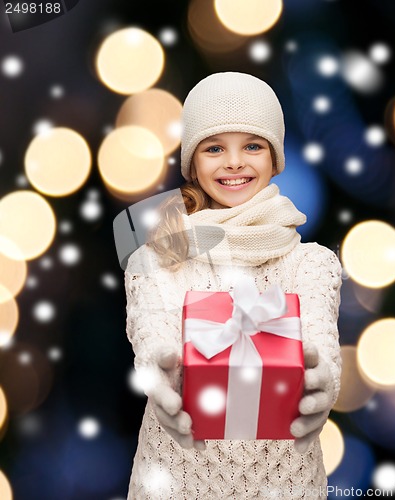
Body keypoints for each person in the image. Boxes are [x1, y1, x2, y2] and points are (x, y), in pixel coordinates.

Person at [124, 72, 342, 499]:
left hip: (286, 483)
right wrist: (159, 370)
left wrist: (325, 381)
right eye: (215, 148)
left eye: (253, 146)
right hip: (176, 480)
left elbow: (321, 342)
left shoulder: (311, 264)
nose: (234, 162)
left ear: (275, 158)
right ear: (192, 162)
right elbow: (151, 332)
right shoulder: (157, 260)